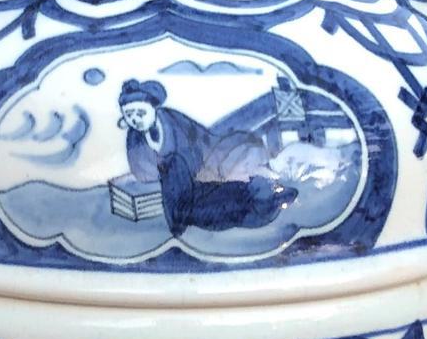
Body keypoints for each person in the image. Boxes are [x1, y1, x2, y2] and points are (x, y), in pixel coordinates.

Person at [117, 79, 296, 235]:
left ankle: (267, 197)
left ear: (154, 108)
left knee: (230, 190)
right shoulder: (134, 138)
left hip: (202, 169)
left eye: (140, 113)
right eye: (129, 115)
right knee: (219, 208)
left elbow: (200, 144)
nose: (135, 120)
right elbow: (142, 171)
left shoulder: (172, 120)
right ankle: (264, 202)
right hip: (183, 191)